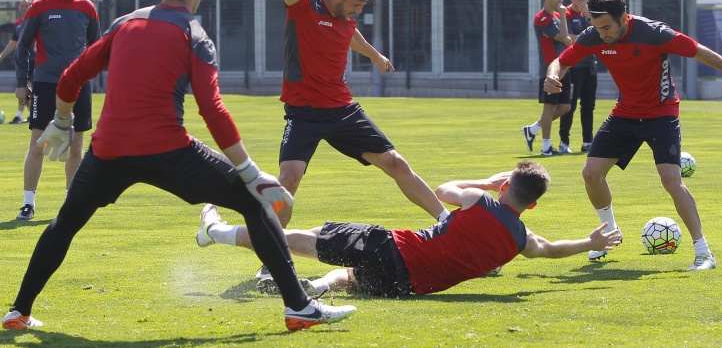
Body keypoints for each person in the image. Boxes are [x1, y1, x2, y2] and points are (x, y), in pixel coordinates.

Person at [1, 0, 355, 332]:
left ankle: (18, 312)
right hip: (168, 151)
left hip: (108, 152)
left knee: (65, 223)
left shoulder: (124, 24)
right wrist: (249, 171)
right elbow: (213, 110)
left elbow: (72, 75)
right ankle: (299, 308)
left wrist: (61, 121)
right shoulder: (193, 33)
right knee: (256, 201)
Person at [543, 0, 722, 271]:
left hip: (661, 113)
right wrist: (553, 76)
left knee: (671, 179)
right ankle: (610, 233)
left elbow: (699, 51)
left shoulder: (654, 32)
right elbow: (562, 61)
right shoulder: (594, 35)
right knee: (591, 173)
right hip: (625, 113)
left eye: (606, 27)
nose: (601, 34)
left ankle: (704, 253)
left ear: (624, 17)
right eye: (596, 27)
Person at [195, 160, 622, 297]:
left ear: (508, 186)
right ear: (532, 204)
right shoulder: (521, 241)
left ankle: (214, 231)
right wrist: (591, 240)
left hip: (394, 248)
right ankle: (321, 288)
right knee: (347, 275)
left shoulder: (480, 200)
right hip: (410, 285)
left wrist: (486, 182)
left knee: (291, 238)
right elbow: (550, 249)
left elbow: (443, 188)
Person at [275, 0, 448, 226]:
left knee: (395, 163)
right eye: (355, 4)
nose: (358, 11)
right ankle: (272, 258)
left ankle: (447, 221)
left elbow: (350, 32)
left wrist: (374, 55)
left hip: (343, 110)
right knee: (287, 182)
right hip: (303, 112)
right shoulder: (305, 6)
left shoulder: (346, 17)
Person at [13, 0, 101, 221]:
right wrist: (21, 83)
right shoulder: (40, 6)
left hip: (78, 86)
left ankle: (70, 204)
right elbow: (23, 47)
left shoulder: (88, 7)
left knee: (76, 147)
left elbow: (96, 49)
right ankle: (28, 203)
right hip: (45, 84)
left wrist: (88, 77)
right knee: (39, 144)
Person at [522, 0, 573, 156]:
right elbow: (565, 39)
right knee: (550, 107)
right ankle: (546, 147)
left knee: (565, 106)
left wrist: (563, 18)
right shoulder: (542, 18)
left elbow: (568, 40)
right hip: (549, 69)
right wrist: (565, 17)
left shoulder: (558, 16)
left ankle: (533, 129)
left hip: (563, 66)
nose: (561, 0)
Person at [557, 0, 597, 154]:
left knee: (588, 106)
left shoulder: (590, 15)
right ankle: (564, 142)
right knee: (569, 106)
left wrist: (588, 14)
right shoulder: (565, 13)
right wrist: (587, 39)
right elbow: (569, 39)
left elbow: (599, 33)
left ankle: (588, 141)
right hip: (573, 68)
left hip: (590, 66)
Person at [0, 0, 34, 124]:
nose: (24, 8)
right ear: (19, 7)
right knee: (24, 87)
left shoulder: (35, 20)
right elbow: (14, 42)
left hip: (36, 59)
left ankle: (27, 115)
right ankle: (23, 115)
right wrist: (2, 55)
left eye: (27, 5)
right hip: (23, 60)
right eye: (22, 5)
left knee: (30, 87)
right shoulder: (18, 23)